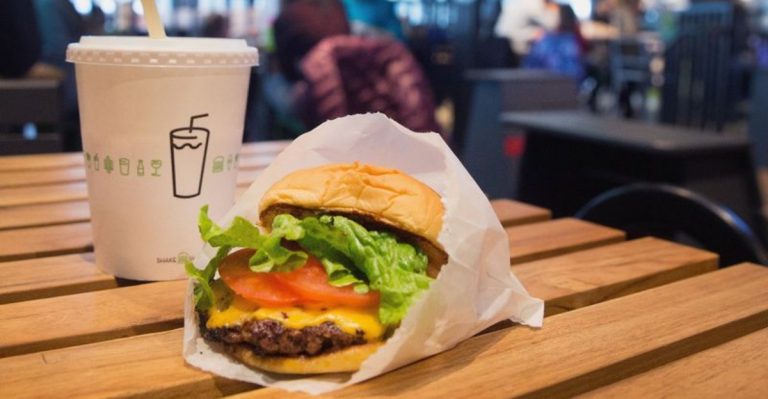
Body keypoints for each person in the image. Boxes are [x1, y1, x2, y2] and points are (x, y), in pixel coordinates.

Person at [523, 4, 586, 81]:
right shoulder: (574, 37)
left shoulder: (546, 40)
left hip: (545, 82)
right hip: (570, 83)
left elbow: (529, 69)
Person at [494, 0, 559, 64]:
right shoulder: (533, 3)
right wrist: (553, 6)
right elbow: (552, 24)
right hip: (511, 43)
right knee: (547, 38)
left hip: (500, 43)